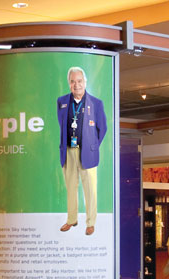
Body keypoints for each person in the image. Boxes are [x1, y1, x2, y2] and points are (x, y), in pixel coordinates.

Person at [57, 66, 107, 236]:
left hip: (88, 152)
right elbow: (61, 124)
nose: (76, 85)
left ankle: (91, 222)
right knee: (71, 187)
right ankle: (72, 219)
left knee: (90, 189)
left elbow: (102, 128)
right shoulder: (62, 102)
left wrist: (92, 145)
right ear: (69, 84)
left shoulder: (96, 103)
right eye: (72, 82)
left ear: (85, 82)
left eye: (79, 81)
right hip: (69, 150)